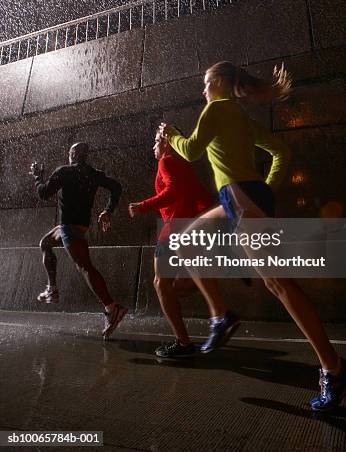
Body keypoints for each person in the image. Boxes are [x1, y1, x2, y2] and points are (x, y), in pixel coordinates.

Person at [159, 61, 346, 412]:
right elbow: (281, 153)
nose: (202, 91)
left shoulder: (215, 109)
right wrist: (265, 189)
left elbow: (190, 151)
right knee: (185, 243)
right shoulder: (242, 118)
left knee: (279, 285)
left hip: (241, 198)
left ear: (219, 82)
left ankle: (334, 368)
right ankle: (221, 315)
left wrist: (171, 133)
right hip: (237, 198)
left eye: (205, 84)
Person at [128, 130, 229, 358]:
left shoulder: (167, 161)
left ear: (167, 144)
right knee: (177, 287)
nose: (153, 146)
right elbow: (202, 195)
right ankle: (214, 298)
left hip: (173, 229)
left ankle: (183, 343)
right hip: (189, 227)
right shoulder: (184, 165)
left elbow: (173, 191)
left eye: (155, 141)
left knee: (161, 284)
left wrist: (142, 206)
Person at [30, 142, 128, 340]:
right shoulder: (94, 173)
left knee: (85, 267)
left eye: (69, 152)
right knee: (45, 243)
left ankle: (112, 307)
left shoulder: (64, 171)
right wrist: (108, 211)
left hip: (69, 229)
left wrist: (38, 177)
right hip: (76, 227)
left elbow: (43, 193)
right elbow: (116, 187)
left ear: (73, 154)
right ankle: (52, 289)